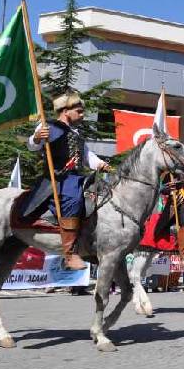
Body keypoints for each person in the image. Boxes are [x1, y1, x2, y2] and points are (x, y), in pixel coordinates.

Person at [21, 91, 110, 270]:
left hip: (76, 177)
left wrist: (100, 163)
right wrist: (38, 137)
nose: (82, 115)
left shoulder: (76, 133)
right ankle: (70, 254)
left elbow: (86, 155)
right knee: (73, 198)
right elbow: (32, 144)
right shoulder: (49, 126)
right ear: (65, 111)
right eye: (79, 111)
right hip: (57, 178)